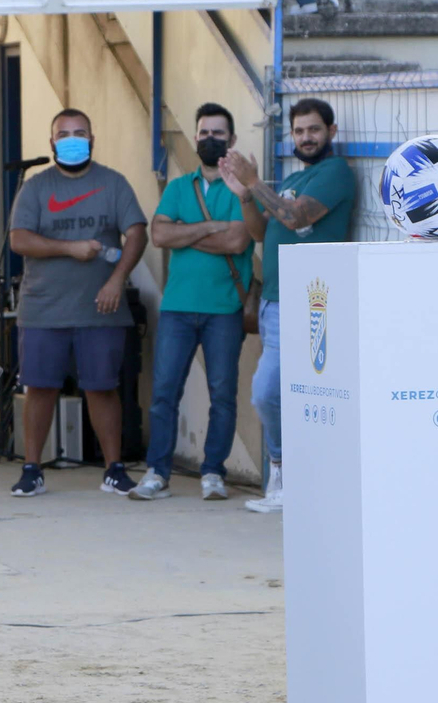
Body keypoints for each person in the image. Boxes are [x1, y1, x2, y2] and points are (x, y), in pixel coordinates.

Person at [218, 97, 356, 513]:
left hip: (310, 305)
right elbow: (262, 231)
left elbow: (296, 218)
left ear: (331, 132)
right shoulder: (299, 176)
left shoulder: (335, 174)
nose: (306, 137)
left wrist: (256, 181)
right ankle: (286, 480)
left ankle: (284, 470)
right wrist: (245, 195)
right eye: (298, 131)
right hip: (275, 301)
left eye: (314, 129)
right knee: (279, 393)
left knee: (267, 393)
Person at [8, 108, 149, 497]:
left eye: (80, 132)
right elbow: (19, 239)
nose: (72, 138)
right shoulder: (36, 187)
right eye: (64, 133)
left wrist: (117, 280)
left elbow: (137, 233)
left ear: (92, 138)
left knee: (103, 388)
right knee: (39, 388)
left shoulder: (113, 183)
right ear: (52, 143)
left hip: (101, 308)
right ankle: (32, 469)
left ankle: (114, 469)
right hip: (43, 308)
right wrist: (69, 248)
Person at [136, 104, 255, 501]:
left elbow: (238, 240)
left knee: (223, 395)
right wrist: (210, 228)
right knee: (165, 392)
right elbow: (158, 236)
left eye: (218, 133)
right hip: (177, 307)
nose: (209, 140)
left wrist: (184, 232)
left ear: (232, 141)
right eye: (203, 133)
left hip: (225, 308)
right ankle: (157, 472)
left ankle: (213, 473)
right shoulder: (177, 187)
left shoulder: (241, 189)